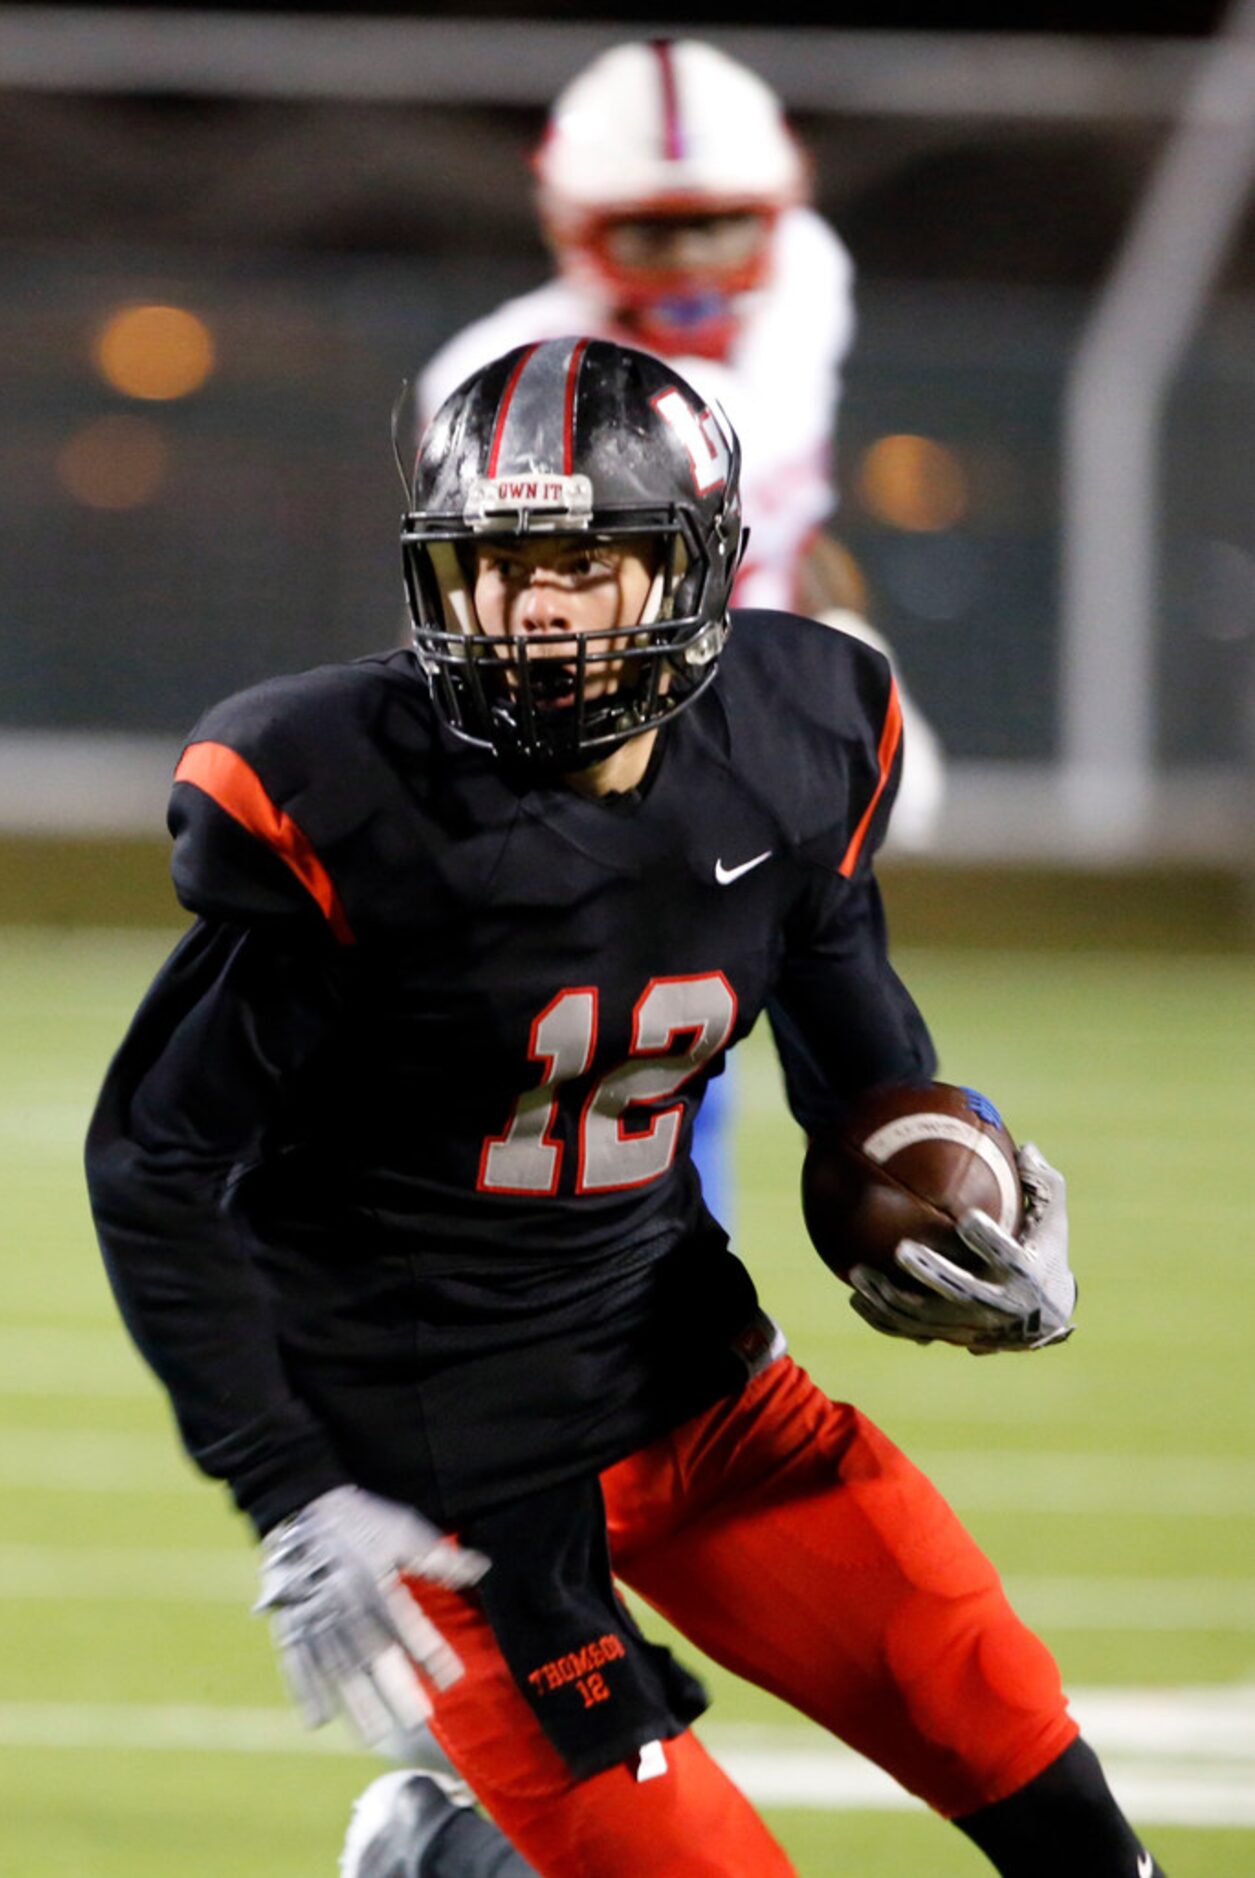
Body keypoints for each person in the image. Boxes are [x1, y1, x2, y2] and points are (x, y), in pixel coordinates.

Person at [86, 340, 1162, 1878]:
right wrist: (287, 1484)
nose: (530, 607)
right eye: (496, 566)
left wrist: (964, 1203)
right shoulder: (343, 797)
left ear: (693, 573)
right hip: (448, 1475)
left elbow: (853, 1034)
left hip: (700, 1392)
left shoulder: (797, 737)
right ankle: (456, 1863)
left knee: (1051, 1797)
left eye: (582, 563)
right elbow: (153, 1155)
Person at [417, 36, 944, 1231]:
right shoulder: (511, 374)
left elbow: (780, 502)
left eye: (720, 221)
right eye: (655, 229)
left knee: (801, 990)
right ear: (575, 222)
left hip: (761, 690)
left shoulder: (806, 274)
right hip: (606, 730)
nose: (696, 259)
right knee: (630, 1039)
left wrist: (826, 625)